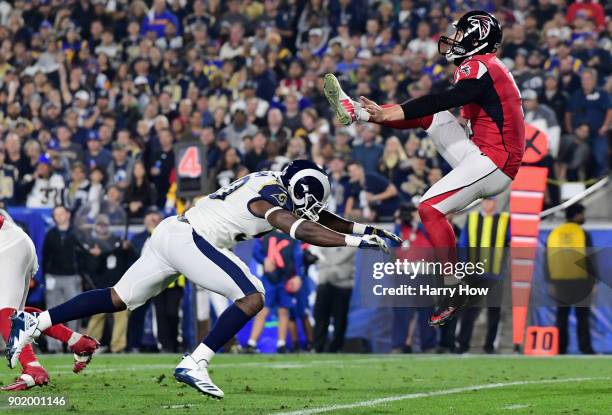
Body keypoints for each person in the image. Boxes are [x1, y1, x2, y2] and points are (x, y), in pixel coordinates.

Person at [7, 160, 401, 399]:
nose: (311, 210)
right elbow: (300, 227)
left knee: (118, 298)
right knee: (253, 295)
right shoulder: (269, 200)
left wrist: (367, 228)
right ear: (296, 192)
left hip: (171, 233)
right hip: (190, 239)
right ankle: (196, 361)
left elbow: (312, 216)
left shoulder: (273, 181)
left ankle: (34, 322)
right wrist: (355, 240)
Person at [324, 10, 524, 326]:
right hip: (483, 153)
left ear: (476, 37)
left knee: (430, 208)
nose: (453, 39)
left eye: (460, 34)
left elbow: (446, 99)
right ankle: (359, 113)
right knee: (432, 118)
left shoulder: (481, 65)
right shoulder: (486, 66)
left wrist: (393, 114)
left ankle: (454, 286)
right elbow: (432, 110)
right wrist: (384, 114)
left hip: (495, 161)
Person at [0, 211, 98, 391]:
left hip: (7, 246)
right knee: (16, 314)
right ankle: (77, 341)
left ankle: (33, 368)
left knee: (6, 315)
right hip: (17, 243)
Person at [455, 197, 509, 354]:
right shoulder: (472, 219)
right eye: (485, 201)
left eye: (491, 201)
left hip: (495, 273)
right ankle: (462, 344)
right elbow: (463, 244)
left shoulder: (504, 220)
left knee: (494, 311)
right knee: (469, 310)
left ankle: (490, 345)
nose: (488, 204)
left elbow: (511, 240)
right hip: (474, 274)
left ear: (496, 202)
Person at [546, 203, 596, 354]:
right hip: (581, 281)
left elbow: (547, 258)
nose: (583, 217)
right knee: (582, 317)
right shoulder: (582, 233)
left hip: (559, 281)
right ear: (576, 215)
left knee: (561, 316)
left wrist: (550, 281)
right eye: (582, 214)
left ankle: (560, 349)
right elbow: (589, 259)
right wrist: (593, 283)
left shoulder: (554, 233)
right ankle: (585, 349)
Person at [246, 229, 304, 353]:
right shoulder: (265, 233)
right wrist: (264, 260)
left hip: (286, 278)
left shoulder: (292, 236)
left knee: (284, 310)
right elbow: (256, 252)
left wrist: (298, 275)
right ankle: (252, 342)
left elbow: (297, 256)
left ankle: (281, 343)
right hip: (269, 278)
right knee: (263, 309)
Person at [42, 206, 82, 352]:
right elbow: (44, 256)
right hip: (54, 276)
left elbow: (82, 254)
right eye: (56, 214)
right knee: (52, 312)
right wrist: (45, 276)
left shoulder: (76, 233)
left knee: (75, 311)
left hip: (72, 276)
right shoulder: (50, 234)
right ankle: (54, 346)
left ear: (68, 215)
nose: (59, 216)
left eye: (61, 213)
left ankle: (75, 343)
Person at [312, 245, 355, 353]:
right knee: (320, 317)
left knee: (340, 319)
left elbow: (341, 257)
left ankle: (336, 347)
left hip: (343, 284)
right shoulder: (323, 239)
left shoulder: (351, 242)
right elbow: (316, 253)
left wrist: (324, 260)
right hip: (324, 282)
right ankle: (318, 346)